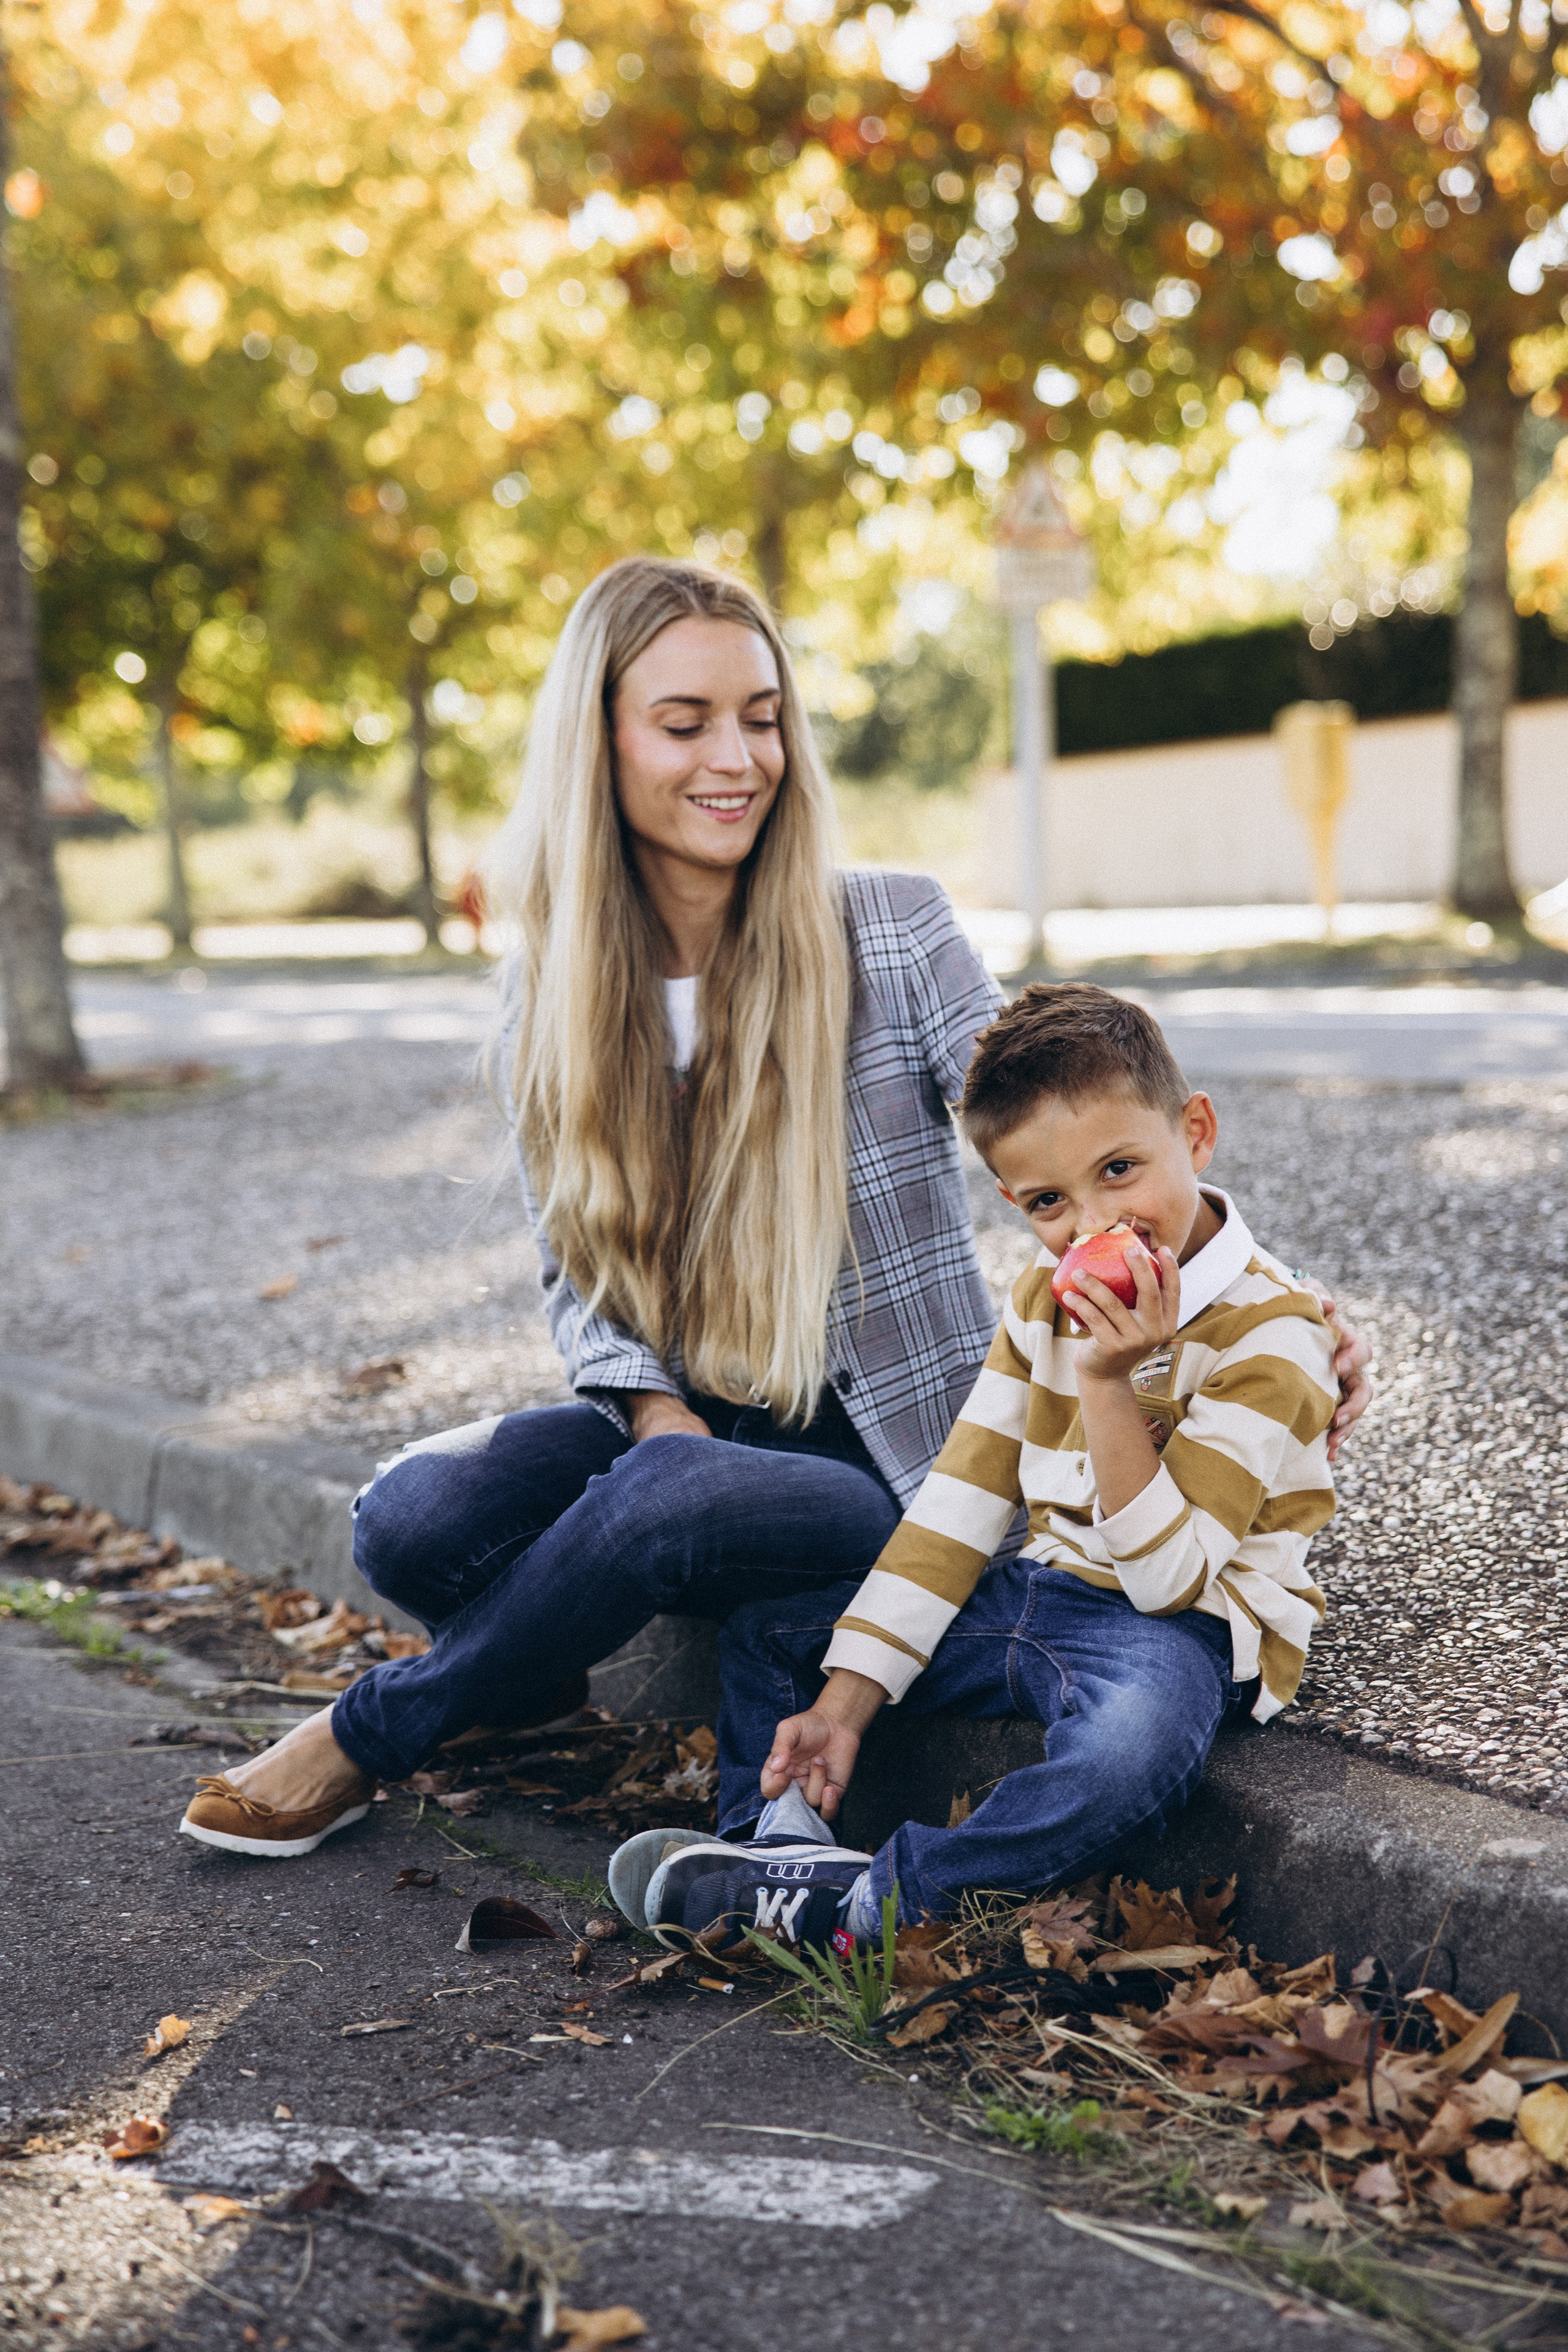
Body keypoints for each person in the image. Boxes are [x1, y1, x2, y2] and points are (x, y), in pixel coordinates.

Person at [177, 561, 1370, 1863]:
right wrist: (657, 1422)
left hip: (869, 1461)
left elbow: (1075, 1132)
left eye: (761, 716)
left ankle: (364, 1736)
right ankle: (519, 1702)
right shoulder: (551, 986)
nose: (737, 757)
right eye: (685, 723)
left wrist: (1259, 1299)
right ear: (601, 740)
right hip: (682, 1428)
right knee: (409, 1518)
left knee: (664, 1504)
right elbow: (574, 1272)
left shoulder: (893, 931)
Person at [611, 982, 1341, 1952]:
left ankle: (890, 1900)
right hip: (1041, 1590)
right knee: (776, 1638)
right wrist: (844, 1705)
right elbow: (958, 1505)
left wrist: (1110, 1383)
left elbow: (1169, 1583)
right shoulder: (1043, 1297)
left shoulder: (1273, 1334)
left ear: (1195, 1132)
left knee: (1131, 1754)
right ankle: (771, 1855)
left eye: (1120, 1169)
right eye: (1050, 1202)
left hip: (1182, 1633)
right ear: (1013, 1201)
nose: (1094, 1226)